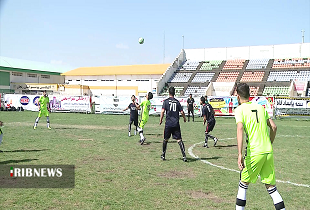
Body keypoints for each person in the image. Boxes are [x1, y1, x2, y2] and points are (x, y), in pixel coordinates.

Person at [234, 83, 285, 210]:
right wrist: (270, 142)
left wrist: (240, 154)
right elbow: (274, 127)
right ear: (249, 95)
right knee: (271, 187)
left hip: (255, 152)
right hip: (268, 151)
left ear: (238, 96)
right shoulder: (260, 108)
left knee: (243, 184)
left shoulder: (239, 109)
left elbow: (240, 128)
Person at [159, 87, 187, 162]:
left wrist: (161, 120)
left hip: (168, 123)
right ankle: (184, 156)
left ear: (169, 92)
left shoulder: (166, 101)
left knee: (166, 139)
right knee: (179, 140)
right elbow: (182, 112)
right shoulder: (177, 102)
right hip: (176, 123)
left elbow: (162, 111)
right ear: (174, 93)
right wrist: (184, 118)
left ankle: (163, 155)